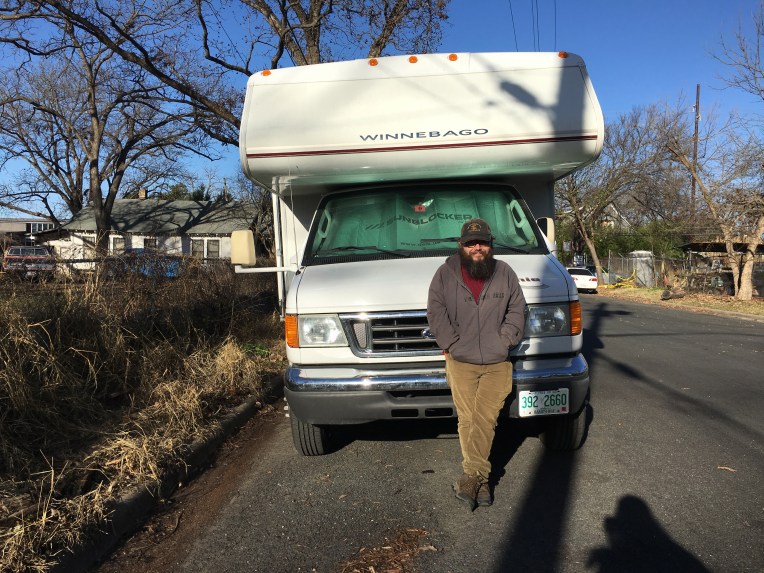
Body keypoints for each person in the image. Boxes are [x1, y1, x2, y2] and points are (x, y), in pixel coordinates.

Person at [426, 218, 526, 510]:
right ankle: (479, 483)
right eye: (471, 243)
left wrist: (505, 340)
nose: (477, 248)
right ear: (461, 245)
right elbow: (435, 312)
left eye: (482, 242)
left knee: (485, 418)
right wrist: (452, 344)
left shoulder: (505, 272)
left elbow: (517, 310)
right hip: (461, 361)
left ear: (491, 244)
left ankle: (472, 478)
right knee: (468, 419)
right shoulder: (444, 274)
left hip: (497, 361)